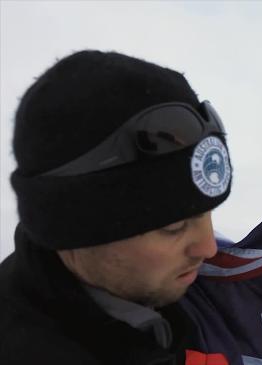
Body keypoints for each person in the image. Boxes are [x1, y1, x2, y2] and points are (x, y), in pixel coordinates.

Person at [0, 50, 232, 364]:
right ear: (75, 228)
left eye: (206, 212)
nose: (208, 248)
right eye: (173, 227)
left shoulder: (142, 295)